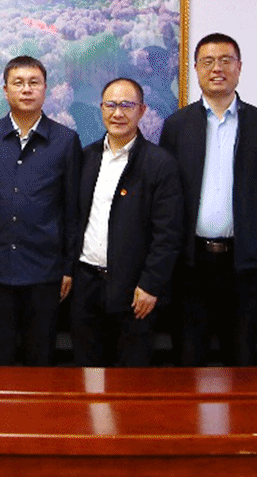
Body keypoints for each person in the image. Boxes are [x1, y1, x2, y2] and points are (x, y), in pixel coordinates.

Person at [158, 32, 257, 366]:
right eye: (208, 61)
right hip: (190, 264)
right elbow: (165, 201)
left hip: (244, 264)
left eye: (226, 60)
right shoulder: (177, 125)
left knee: (241, 358)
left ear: (239, 67)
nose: (217, 68)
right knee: (188, 358)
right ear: (196, 69)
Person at [70, 78, 184, 367]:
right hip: (87, 286)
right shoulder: (86, 158)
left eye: (126, 105)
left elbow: (168, 234)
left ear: (142, 110)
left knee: (130, 378)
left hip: (135, 291)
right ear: (101, 108)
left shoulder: (160, 164)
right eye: (111, 105)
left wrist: (151, 285)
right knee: (88, 374)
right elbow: (74, 220)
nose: (117, 113)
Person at [0, 55, 82, 366]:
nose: (26, 89)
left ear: (45, 89)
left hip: (45, 271)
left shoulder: (65, 140)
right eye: (18, 83)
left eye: (34, 83)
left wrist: (68, 267)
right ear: (5, 90)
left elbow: (72, 210)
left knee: (40, 363)